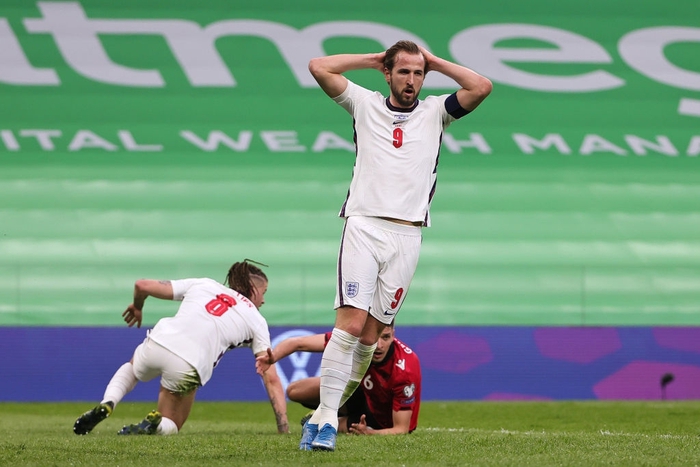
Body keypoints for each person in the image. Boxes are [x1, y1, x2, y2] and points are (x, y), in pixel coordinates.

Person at [299, 40, 492, 450]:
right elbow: (319, 66)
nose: (411, 80)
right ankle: (330, 420)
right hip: (364, 226)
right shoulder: (364, 104)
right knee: (349, 325)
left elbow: (481, 86)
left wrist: (435, 61)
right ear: (388, 74)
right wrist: (371, 60)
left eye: (418, 73)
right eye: (403, 72)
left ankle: (320, 413)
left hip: (408, 235)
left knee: (370, 339)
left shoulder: (436, 112)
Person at [72, 260, 290, 436]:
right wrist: (283, 427)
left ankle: (108, 402)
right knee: (173, 422)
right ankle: (154, 426)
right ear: (253, 289)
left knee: (132, 368)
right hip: (189, 363)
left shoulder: (204, 284)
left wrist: (137, 308)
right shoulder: (256, 320)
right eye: (264, 292)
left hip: (159, 342)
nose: (263, 301)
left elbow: (142, 285)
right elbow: (270, 377)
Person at [257, 323, 421, 435]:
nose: (378, 345)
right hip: (361, 394)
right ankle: (328, 412)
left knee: (329, 427)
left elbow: (401, 429)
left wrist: (370, 433)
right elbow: (298, 343)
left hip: (380, 419)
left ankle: (328, 418)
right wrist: (273, 358)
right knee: (294, 391)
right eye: (374, 337)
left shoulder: (404, 369)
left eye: (385, 337)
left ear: (393, 334)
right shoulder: (359, 341)